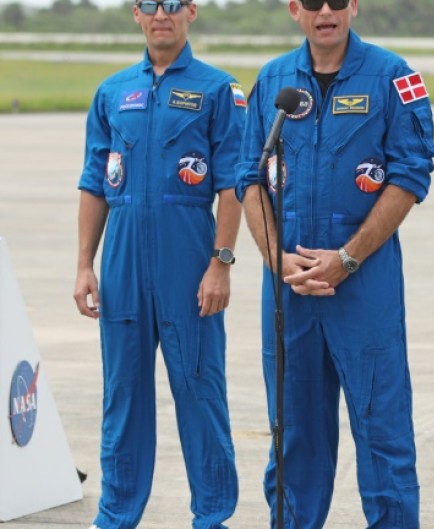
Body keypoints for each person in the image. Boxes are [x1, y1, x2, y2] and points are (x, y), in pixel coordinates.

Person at [235, 0, 434, 526]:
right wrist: (276, 259)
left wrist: (348, 258)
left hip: (364, 288)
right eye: (312, 1)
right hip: (290, 291)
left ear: (355, 7)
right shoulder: (273, 81)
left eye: (337, 0)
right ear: (292, 9)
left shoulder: (395, 78)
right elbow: (248, 177)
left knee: (382, 430)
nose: (325, 10)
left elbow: (412, 175)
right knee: (293, 435)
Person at [72, 0, 246, 527]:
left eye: (173, 4)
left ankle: (212, 514)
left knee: (200, 390)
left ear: (191, 12)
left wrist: (221, 263)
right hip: (123, 259)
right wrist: (84, 264)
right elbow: (93, 183)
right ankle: (117, 513)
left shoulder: (219, 90)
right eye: (150, 4)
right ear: (136, 14)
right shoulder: (111, 92)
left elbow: (233, 184)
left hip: (188, 257)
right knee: (121, 395)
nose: (161, 13)